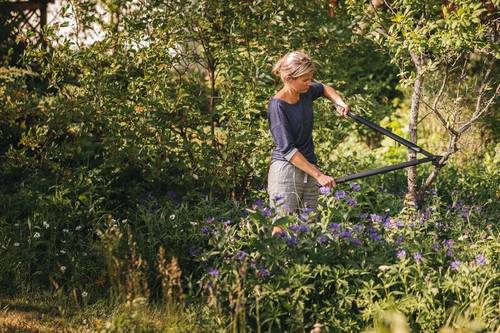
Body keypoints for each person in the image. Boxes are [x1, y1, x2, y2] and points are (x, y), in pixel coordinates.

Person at [267, 50, 349, 235]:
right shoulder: (277, 107)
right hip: (286, 171)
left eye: (310, 79)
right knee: (281, 227)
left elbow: (324, 88)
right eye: (304, 80)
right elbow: (288, 150)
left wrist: (339, 102)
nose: (308, 83)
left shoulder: (304, 92)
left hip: (309, 167)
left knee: (309, 227)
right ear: (288, 78)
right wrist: (319, 175)